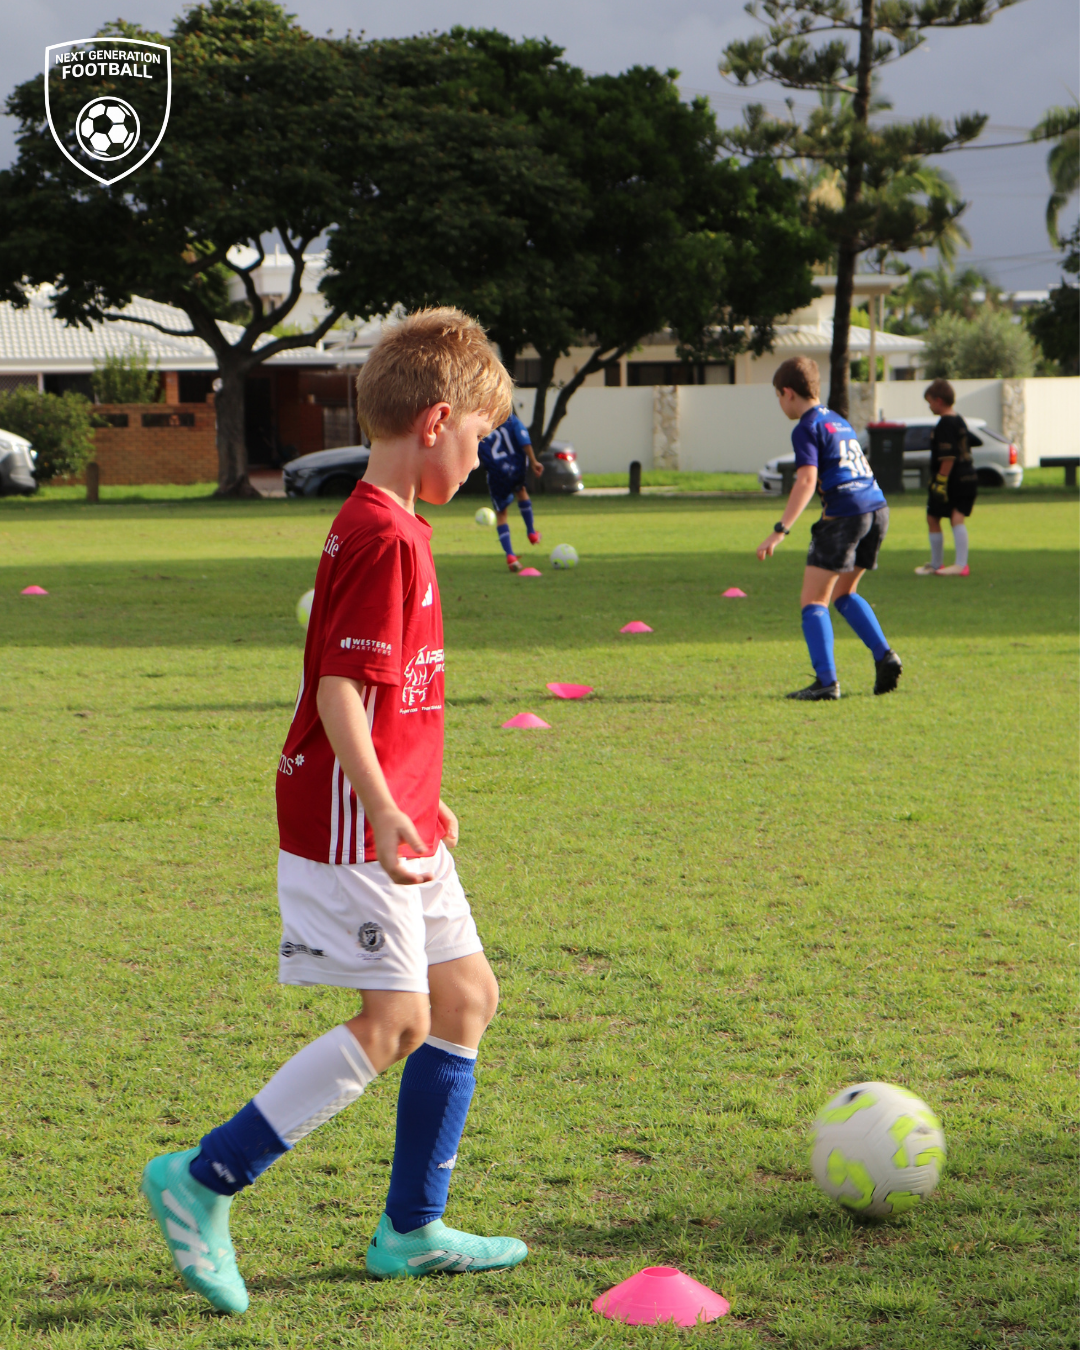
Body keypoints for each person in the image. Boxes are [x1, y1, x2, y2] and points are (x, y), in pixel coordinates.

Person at [140, 309, 527, 1315]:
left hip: (400, 815)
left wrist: (419, 803)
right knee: (394, 1021)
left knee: (465, 999)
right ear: (437, 419)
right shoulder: (381, 536)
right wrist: (388, 806)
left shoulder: (396, 526)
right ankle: (202, 1179)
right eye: (480, 437)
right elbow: (340, 696)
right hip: (357, 823)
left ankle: (411, 1231)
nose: (483, 457)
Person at [757, 356, 903, 701]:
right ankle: (885, 656)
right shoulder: (838, 421)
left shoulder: (806, 428)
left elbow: (807, 480)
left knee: (813, 601)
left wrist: (781, 529)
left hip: (846, 513)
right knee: (844, 594)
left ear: (788, 392)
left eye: (778, 397)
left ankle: (826, 682)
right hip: (877, 508)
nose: (780, 404)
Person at [915, 378, 976, 576]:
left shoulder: (945, 423)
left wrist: (940, 481)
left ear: (939, 401)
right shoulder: (959, 419)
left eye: (930, 402)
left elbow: (948, 457)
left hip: (954, 479)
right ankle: (938, 564)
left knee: (952, 517)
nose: (929, 406)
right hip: (968, 475)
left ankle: (958, 565)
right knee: (935, 516)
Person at [478, 412, 543, 571]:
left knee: (501, 514)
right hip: (515, 467)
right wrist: (534, 461)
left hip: (496, 473)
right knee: (521, 491)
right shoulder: (511, 419)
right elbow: (524, 441)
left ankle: (510, 556)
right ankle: (531, 532)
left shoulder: (482, 423)